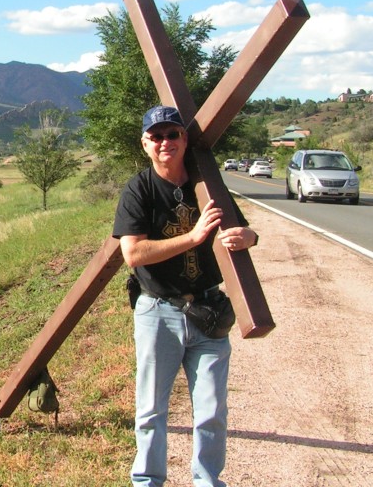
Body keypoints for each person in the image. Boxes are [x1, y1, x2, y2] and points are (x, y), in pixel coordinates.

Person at [113, 105, 258, 487]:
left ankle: (208, 481)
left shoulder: (207, 186)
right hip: (158, 310)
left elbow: (243, 231)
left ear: (184, 139)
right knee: (151, 409)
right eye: (156, 136)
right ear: (145, 143)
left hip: (208, 310)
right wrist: (193, 238)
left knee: (211, 410)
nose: (165, 142)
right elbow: (133, 253)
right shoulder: (139, 189)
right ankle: (148, 482)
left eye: (172, 134)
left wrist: (249, 237)